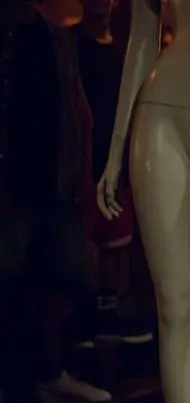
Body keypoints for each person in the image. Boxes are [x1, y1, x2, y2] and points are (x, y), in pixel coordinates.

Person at [0, 1, 111, 401]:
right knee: (9, 280)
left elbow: (80, 110)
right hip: (13, 182)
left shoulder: (59, 39)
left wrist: (84, 176)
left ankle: (50, 373)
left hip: (56, 182)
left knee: (60, 280)